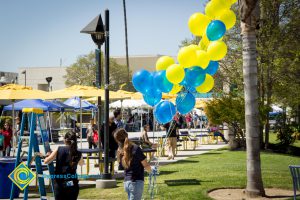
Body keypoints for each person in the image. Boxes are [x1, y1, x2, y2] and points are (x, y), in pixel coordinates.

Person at [114, 128, 155, 200]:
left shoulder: (120, 150)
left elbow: (120, 166)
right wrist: (152, 171)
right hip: (136, 182)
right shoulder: (135, 148)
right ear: (127, 135)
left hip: (127, 182)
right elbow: (145, 165)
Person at [43, 132, 84, 200]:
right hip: (72, 183)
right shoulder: (78, 153)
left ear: (65, 140)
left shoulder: (59, 149)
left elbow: (46, 161)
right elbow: (81, 164)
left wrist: (48, 155)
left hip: (60, 184)